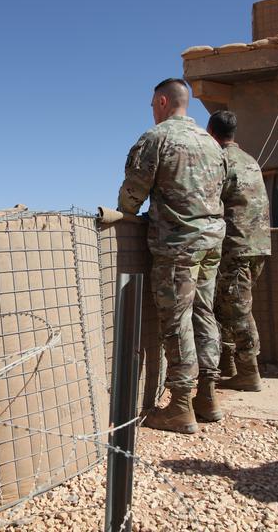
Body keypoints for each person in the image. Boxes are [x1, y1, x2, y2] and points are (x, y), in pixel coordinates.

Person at [117, 78, 228, 433]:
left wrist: (127, 210)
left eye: (152, 105)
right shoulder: (212, 145)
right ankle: (207, 396)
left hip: (178, 244)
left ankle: (180, 405)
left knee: (176, 319)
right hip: (212, 241)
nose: (152, 112)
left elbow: (133, 192)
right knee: (204, 313)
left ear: (163, 102)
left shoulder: (158, 138)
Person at [206, 110, 271, 392]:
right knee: (226, 306)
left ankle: (249, 372)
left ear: (211, 133)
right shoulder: (249, 160)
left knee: (237, 310)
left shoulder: (220, 161)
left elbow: (206, 201)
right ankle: (230, 365)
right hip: (257, 246)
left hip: (236, 247)